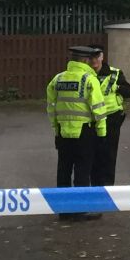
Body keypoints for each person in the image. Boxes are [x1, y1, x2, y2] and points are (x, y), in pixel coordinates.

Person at [46, 45, 108, 221]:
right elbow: (98, 109)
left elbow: (51, 108)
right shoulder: (89, 80)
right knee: (82, 172)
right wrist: (102, 134)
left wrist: (56, 130)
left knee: (63, 171)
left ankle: (64, 211)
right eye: (89, 59)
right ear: (84, 60)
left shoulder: (57, 80)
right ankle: (80, 210)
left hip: (63, 134)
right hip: (85, 133)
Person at [92, 45, 130, 186]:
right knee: (94, 154)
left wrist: (117, 88)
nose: (94, 60)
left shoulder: (115, 73)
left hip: (111, 119)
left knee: (109, 154)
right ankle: (95, 186)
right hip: (92, 119)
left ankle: (108, 188)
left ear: (102, 57)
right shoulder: (85, 75)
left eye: (97, 56)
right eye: (92, 57)